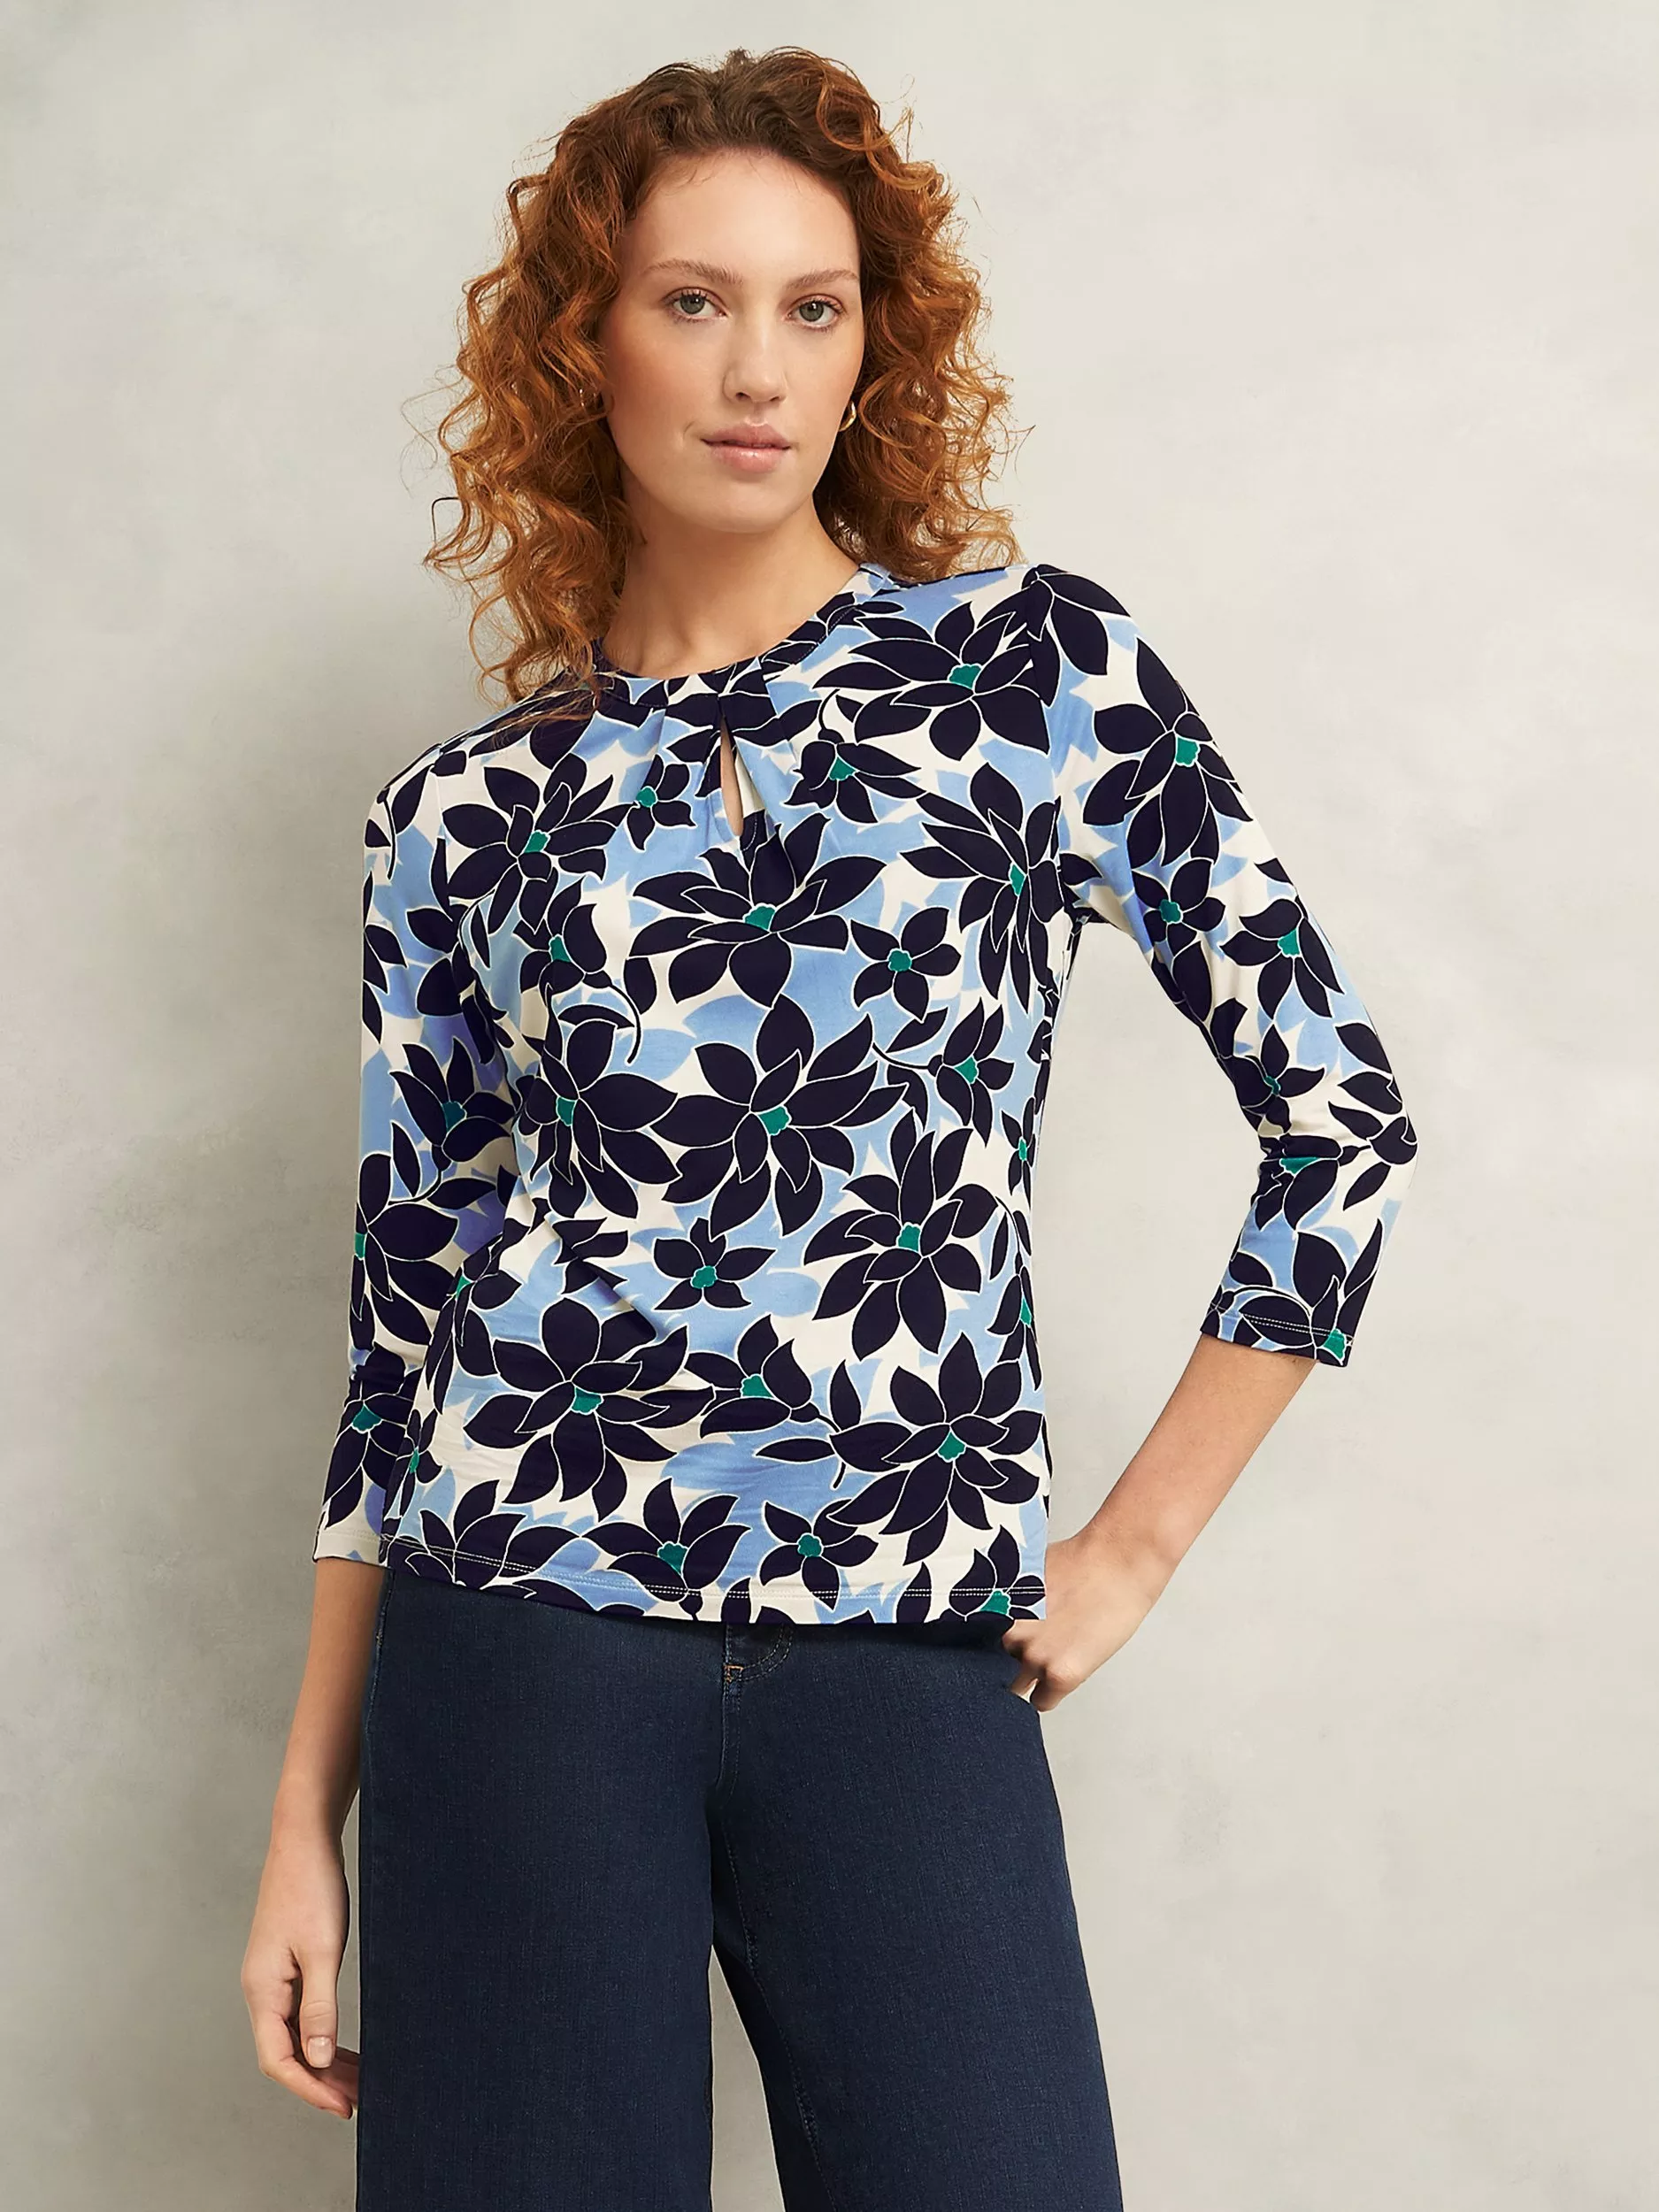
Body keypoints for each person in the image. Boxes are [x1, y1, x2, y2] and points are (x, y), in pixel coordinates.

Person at [242, 45, 1419, 2212]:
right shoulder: (464, 815)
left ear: (877, 344)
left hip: (907, 1649)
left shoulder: (1029, 678)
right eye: (691, 302)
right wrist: (304, 1820)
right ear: (583, 343)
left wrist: (1132, 1545)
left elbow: (1337, 1111)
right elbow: (398, 1331)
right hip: (514, 1646)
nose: (756, 369)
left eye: (814, 305)